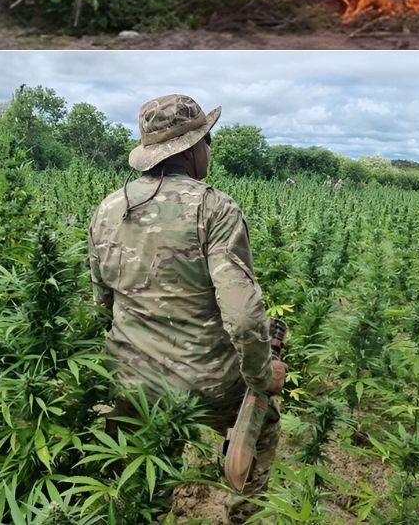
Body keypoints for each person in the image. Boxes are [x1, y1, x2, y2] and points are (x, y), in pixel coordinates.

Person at [88, 94, 285, 524]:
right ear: (193, 148)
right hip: (207, 382)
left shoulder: (108, 208)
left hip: (129, 380)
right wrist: (261, 377)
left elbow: (102, 302)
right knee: (263, 426)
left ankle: (142, 511)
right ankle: (242, 514)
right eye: (207, 141)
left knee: (136, 484)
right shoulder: (214, 208)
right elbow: (243, 316)